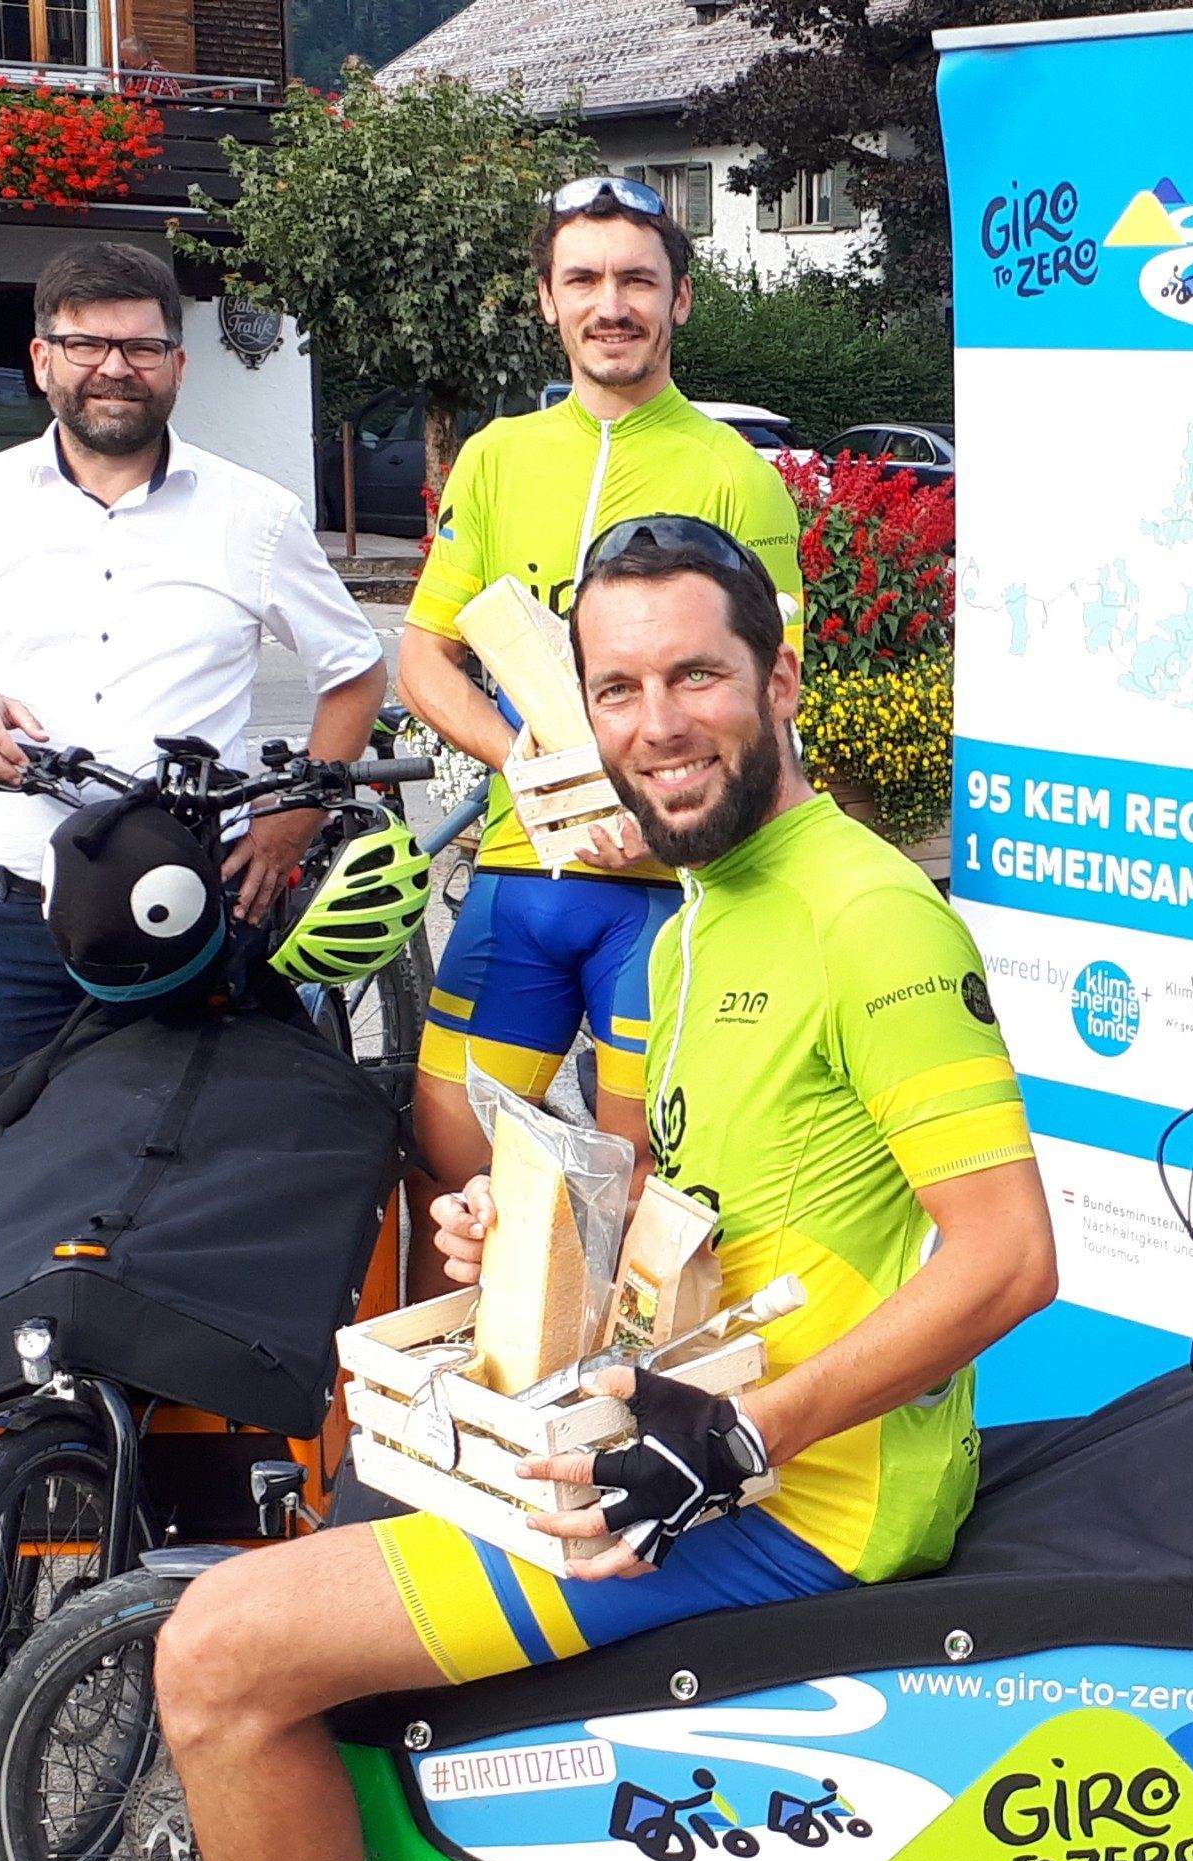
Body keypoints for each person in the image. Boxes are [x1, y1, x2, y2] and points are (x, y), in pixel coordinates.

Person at [38, 520, 1055, 1861]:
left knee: (210, 1654)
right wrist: (538, 1210)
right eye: (621, 686)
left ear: (779, 685)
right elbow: (688, 1180)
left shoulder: (868, 914)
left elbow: (1007, 1255)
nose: (659, 721)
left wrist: (749, 1435)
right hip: (699, 1432)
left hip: (800, 1500)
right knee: (345, 1505)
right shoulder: (698, 909)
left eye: (697, 677)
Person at [0, 241, 386, 1084]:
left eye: (141, 348)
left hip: (195, 901)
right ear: (43, 359)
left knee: (194, 1179)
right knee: (13, 1176)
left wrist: (292, 821)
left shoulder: (253, 514)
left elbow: (356, 672)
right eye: (87, 345)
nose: (115, 369)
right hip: (15, 914)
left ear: (177, 364)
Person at [396, 175, 805, 1204]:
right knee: (452, 1149)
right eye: (583, 278)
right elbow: (422, 655)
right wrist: (524, 762)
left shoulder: (733, 473)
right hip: (520, 871)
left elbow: (775, 687)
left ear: (681, 300)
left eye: (636, 279)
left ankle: (633, 1367)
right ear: (546, 299)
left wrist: (674, 815)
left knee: (648, 1180)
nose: (610, 303)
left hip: (666, 888)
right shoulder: (496, 459)